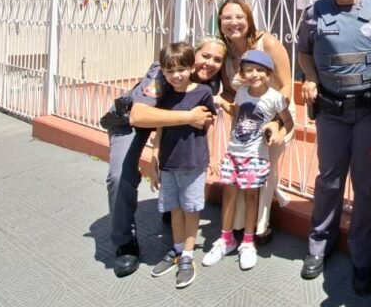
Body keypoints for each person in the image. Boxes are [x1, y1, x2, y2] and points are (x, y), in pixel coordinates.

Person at [296, 0, 371, 295]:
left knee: (368, 185)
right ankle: (318, 246)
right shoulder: (314, 14)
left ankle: (361, 255)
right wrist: (309, 78)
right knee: (329, 180)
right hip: (332, 113)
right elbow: (305, 53)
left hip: (369, 112)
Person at [101, 35, 224, 278]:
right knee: (120, 176)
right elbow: (140, 116)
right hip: (130, 121)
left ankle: (174, 217)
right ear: (193, 53)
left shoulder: (207, 81)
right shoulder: (162, 71)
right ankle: (124, 241)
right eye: (205, 56)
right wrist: (189, 117)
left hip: (168, 126)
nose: (209, 63)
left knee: (178, 194)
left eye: (217, 59)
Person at [214, 0, 295, 244]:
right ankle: (239, 224)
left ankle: (261, 226)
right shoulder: (225, 54)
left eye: (239, 17)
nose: (233, 23)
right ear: (220, 23)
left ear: (248, 19)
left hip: (276, 115)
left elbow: (286, 85)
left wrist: (276, 123)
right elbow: (230, 91)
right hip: (245, 119)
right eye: (227, 18)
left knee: (264, 171)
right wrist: (226, 104)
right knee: (240, 170)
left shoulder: (266, 42)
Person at [202, 49, 291, 270]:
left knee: (252, 198)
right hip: (234, 152)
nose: (254, 74)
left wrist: (278, 132)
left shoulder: (275, 98)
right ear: (242, 73)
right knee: (229, 196)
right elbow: (238, 112)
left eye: (260, 70)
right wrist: (224, 104)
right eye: (249, 70)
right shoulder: (241, 92)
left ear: (268, 74)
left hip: (255, 155)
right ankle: (226, 239)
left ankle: (248, 242)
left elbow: (288, 123)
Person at [145, 42, 220, 289]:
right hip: (168, 162)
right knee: (174, 209)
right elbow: (160, 127)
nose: (176, 75)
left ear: (191, 67)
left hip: (192, 162)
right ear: (164, 72)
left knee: (191, 209)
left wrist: (210, 157)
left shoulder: (203, 93)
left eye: (181, 69)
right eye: (169, 71)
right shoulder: (164, 94)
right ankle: (177, 248)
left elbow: (209, 124)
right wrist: (154, 159)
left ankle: (188, 254)